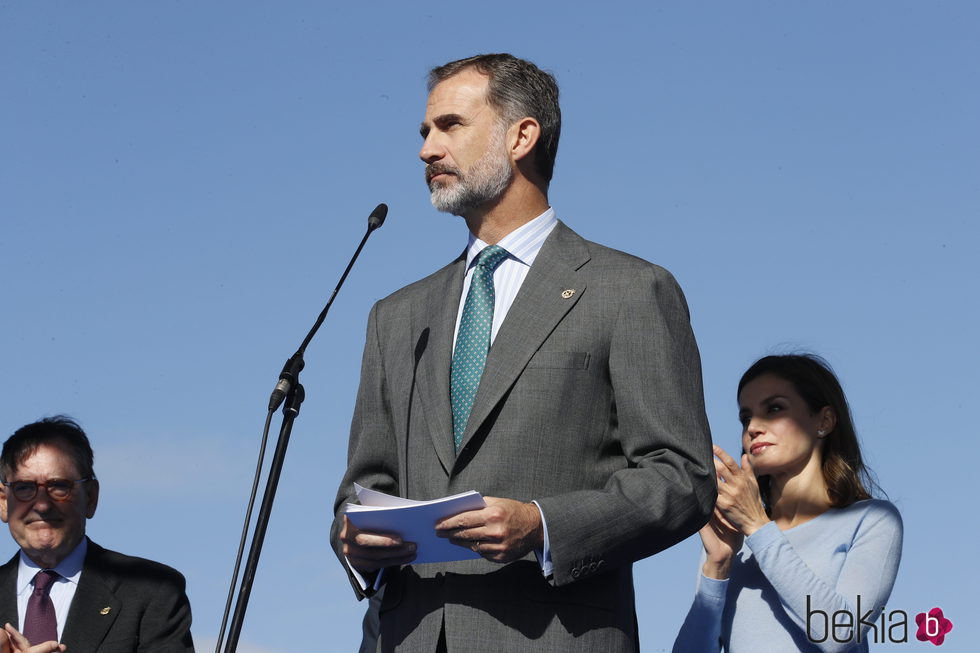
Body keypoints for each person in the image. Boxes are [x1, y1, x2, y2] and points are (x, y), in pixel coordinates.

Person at [331, 53, 716, 652]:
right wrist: (355, 540)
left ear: (521, 136)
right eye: (425, 131)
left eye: (450, 126)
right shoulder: (396, 317)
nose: (427, 149)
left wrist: (543, 525)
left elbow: (682, 478)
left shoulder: (628, 290)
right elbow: (362, 486)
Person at [673, 354, 903, 652]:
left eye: (775, 408)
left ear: (824, 420)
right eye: (746, 417)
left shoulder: (873, 520)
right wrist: (717, 566)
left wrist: (758, 528)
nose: (754, 426)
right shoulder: (732, 542)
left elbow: (840, 634)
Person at [0, 416, 194, 651]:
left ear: (90, 497)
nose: (42, 504)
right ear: (3, 502)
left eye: (59, 486)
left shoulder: (153, 591)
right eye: (25, 488)